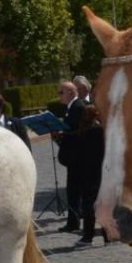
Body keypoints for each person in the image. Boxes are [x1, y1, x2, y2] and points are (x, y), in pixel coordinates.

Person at [54, 80, 86, 233]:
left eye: (61, 92)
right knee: (72, 191)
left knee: (75, 191)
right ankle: (73, 222)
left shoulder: (79, 106)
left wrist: (64, 132)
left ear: (71, 93)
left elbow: (80, 131)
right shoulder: (72, 107)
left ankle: (75, 223)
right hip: (73, 157)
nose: (59, 95)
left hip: (78, 157)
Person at [74, 104, 106, 245]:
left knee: (89, 205)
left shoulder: (82, 131)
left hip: (86, 173)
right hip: (100, 172)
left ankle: (88, 235)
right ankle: (107, 235)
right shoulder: (100, 130)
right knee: (103, 204)